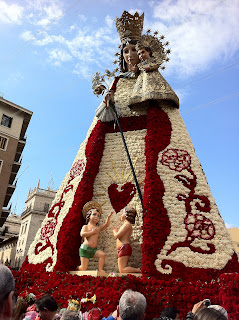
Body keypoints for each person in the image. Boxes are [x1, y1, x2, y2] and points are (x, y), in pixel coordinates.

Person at [77, 201, 113, 273]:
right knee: (83, 268)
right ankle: (77, 268)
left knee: (102, 255)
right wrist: (92, 232)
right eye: (94, 214)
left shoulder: (97, 228)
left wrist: (108, 218)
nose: (96, 217)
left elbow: (106, 225)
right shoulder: (86, 226)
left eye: (98, 216)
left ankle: (100, 269)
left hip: (93, 250)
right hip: (85, 249)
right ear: (89, 216)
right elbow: (82, 234)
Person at [113, 206, 141, 273]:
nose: (121, 215)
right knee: (122, 268)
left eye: (122, 213)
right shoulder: (126, 225)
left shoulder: (127, 224)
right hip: (122, 248)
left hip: (124, 247)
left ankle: (138, 270)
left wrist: (114, 231)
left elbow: (117, 236)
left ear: (126, 214)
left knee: (122, 269)